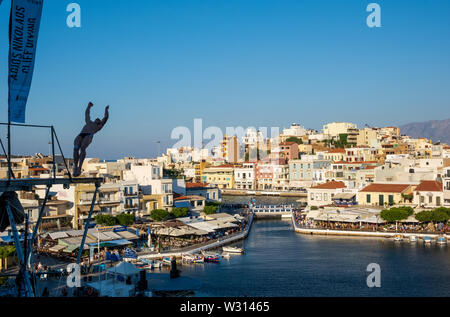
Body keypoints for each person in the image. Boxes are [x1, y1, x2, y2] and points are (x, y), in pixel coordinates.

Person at [73, 102, 109, 177]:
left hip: (89, 135)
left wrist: (106, 110)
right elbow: (87, 114)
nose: (97, 119)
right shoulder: (89, 122)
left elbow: (105, 118)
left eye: (98, 120)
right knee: (76, 148)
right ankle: (75, 167)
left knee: (82, 148)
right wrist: (89, 106)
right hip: (81, 134)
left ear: (99, 122)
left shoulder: (99, 126)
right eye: (96, 119)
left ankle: (79, 167)